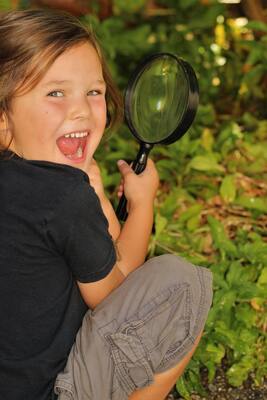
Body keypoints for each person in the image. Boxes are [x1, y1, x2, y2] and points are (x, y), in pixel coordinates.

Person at [0, 8, 213, 400]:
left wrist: (96, 195)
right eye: (56, 93)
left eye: (93, 92)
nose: (80, 108)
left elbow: (99, 253)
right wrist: (142, 204)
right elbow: (119, 292)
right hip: (47, 391)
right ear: (3, 116)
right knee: (180, 285)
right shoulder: (61, 196)